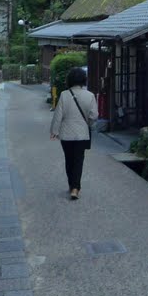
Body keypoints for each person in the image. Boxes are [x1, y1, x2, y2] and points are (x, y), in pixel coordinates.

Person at [49, 67, 98, 200]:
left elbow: (58, 114)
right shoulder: (90, 95)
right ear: (84, 79)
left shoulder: (65, 94)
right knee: (78, 160)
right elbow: (94, 116)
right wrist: (88, 123)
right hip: (82, 134)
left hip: (66, 135)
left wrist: (54, 131)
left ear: (69, 80)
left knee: (69, 159)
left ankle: (72, 185)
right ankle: (75, 188)